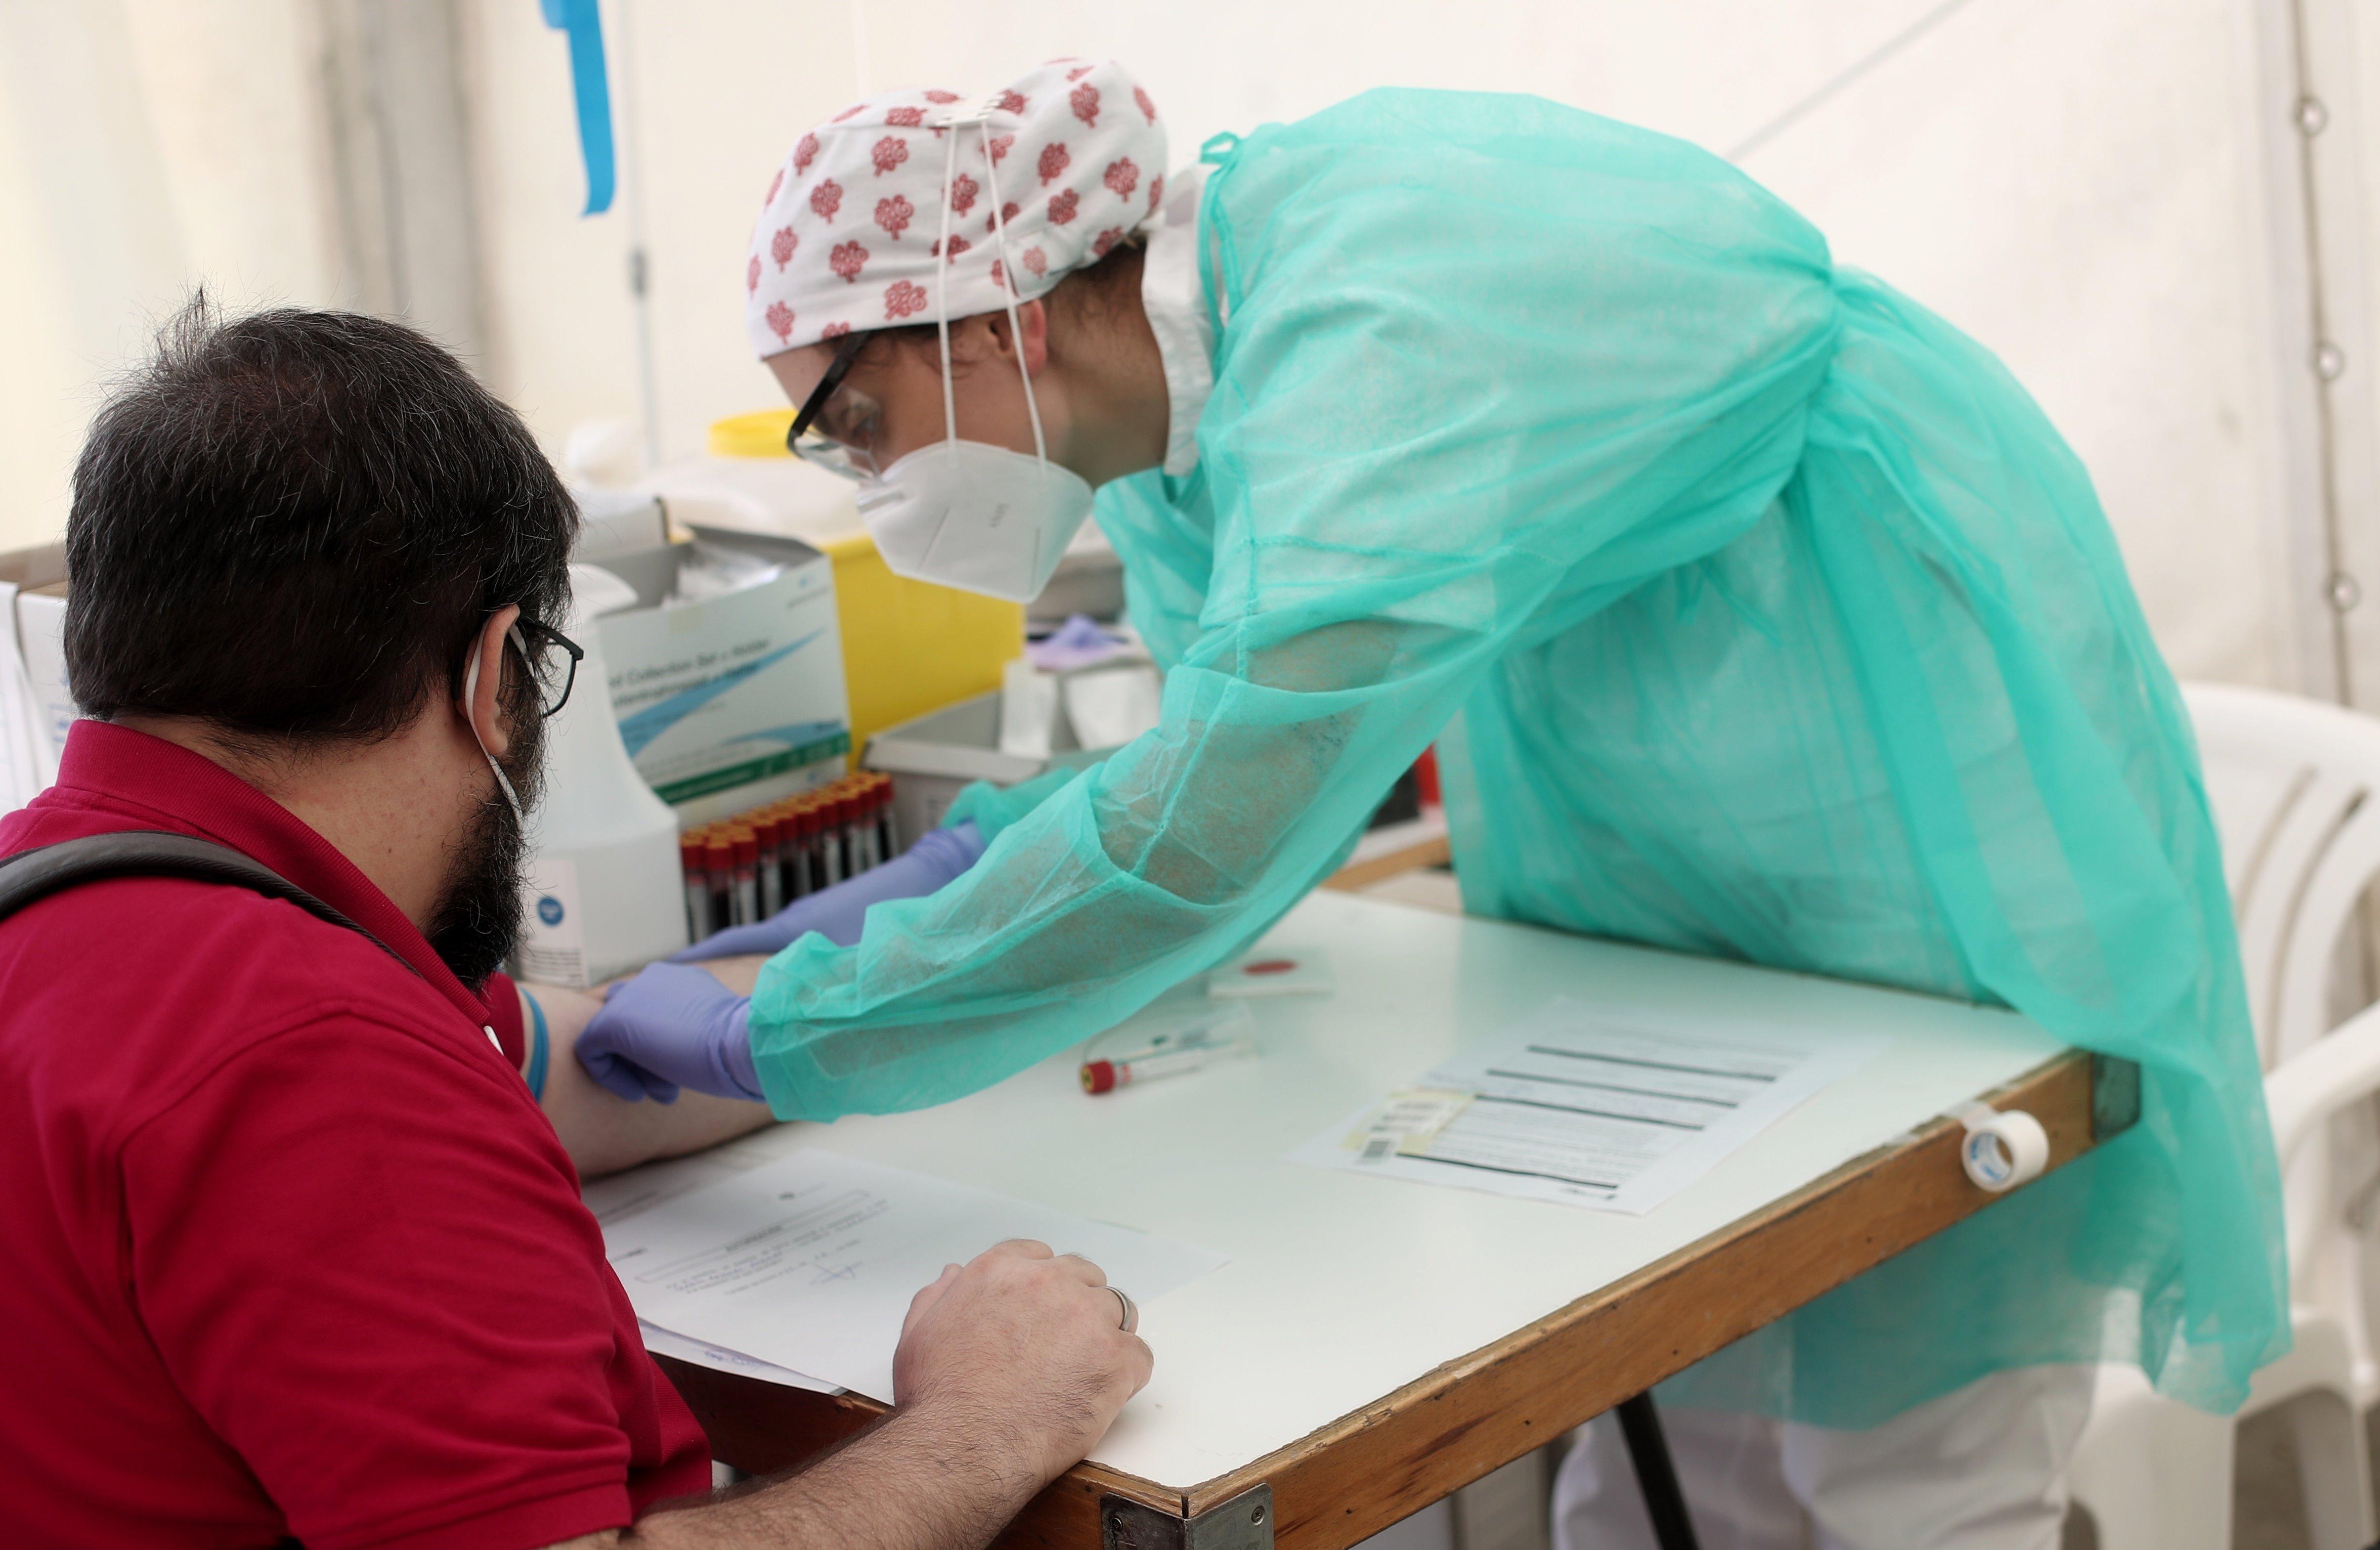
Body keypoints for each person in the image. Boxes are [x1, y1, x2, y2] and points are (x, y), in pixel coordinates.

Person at [580, 58, 2287, 1549]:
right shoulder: (1175, 417)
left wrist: (789, 1022)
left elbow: (1209, 831)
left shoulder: (1365, 325)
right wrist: (905, 888)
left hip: (1888, 724)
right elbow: (1200, 746)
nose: (870, 485)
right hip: (1643, 776)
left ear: (1001, 312)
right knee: (1678, 1363)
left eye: (857, 419)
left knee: (1903, 1430)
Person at [0, 301, 1151, 1548]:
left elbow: (577, 1056)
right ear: (494, 671)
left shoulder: (88, 903)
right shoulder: (318, 1056)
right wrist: (989, 1411)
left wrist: (863, 990)